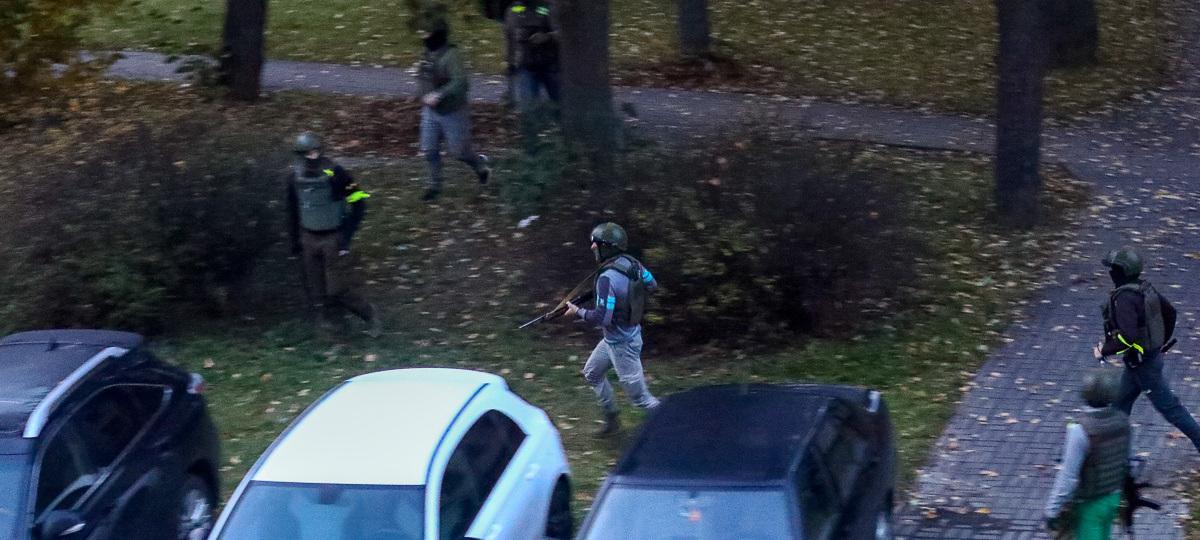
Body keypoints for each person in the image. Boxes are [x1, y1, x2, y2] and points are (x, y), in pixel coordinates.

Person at [1094, 247, 1200, 453]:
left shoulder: (1124, 298)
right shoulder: (1144, 288)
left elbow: (1128, 337)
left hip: (1144, 367)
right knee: (1119, 407)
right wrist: (1158, 344)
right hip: (1142, 361)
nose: (1111, 273)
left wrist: (1103, 350)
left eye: (1114, 269)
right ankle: (1110, 455)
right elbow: (1170, 313)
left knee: (1171, 409)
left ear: (1122, 272)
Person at [564, 223, 661, 436]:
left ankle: (672, 423)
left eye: (596, 243)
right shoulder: (632, 263)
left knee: (641, 399)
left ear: (607, 247)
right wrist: (628, 296)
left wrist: (577, 311)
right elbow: (652, 284)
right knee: (592, 373)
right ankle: (612, 420)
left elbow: (603, 318)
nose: (592, 247)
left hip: (623, 346)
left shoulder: (606, 278)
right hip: (615, 340)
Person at [286, 131, 382, 338]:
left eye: (315, 151)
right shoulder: (294, 177)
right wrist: (295, 241)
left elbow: (359, 202)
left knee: (337, 289)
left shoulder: (336, 173)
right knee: (318, 291)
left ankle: (369, 315)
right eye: (307, 153)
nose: (312, 156)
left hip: (333, 237)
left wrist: (345, 236)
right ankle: (337, 332)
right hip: (308, 237)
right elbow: (293, 210)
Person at [1044, 370, 1131, 540]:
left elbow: (1068, 476)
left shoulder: (1080, 430)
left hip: (1089, 505)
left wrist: (1052, 510)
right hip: (1113, 498)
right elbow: (1126, 460)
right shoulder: (1123, 422)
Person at [416, 16, 491, 202]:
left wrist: (439, 94)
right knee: (429, 149)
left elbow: (461, 82)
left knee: (459, 152)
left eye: (427, 33)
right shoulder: (427, 53)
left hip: (453, 111)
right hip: (431, 111)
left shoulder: (452, 55)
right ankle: (434, 185)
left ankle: (480, 165)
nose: (424, 37)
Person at [504, 0, 560, 106]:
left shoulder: (548, 7)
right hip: (526, 64)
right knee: (528, 105)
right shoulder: (513, 10)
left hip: (550, 64)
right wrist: (510, 63)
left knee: (560, 102)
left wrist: (546, 37)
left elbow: (563, 33)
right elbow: (510, 39)